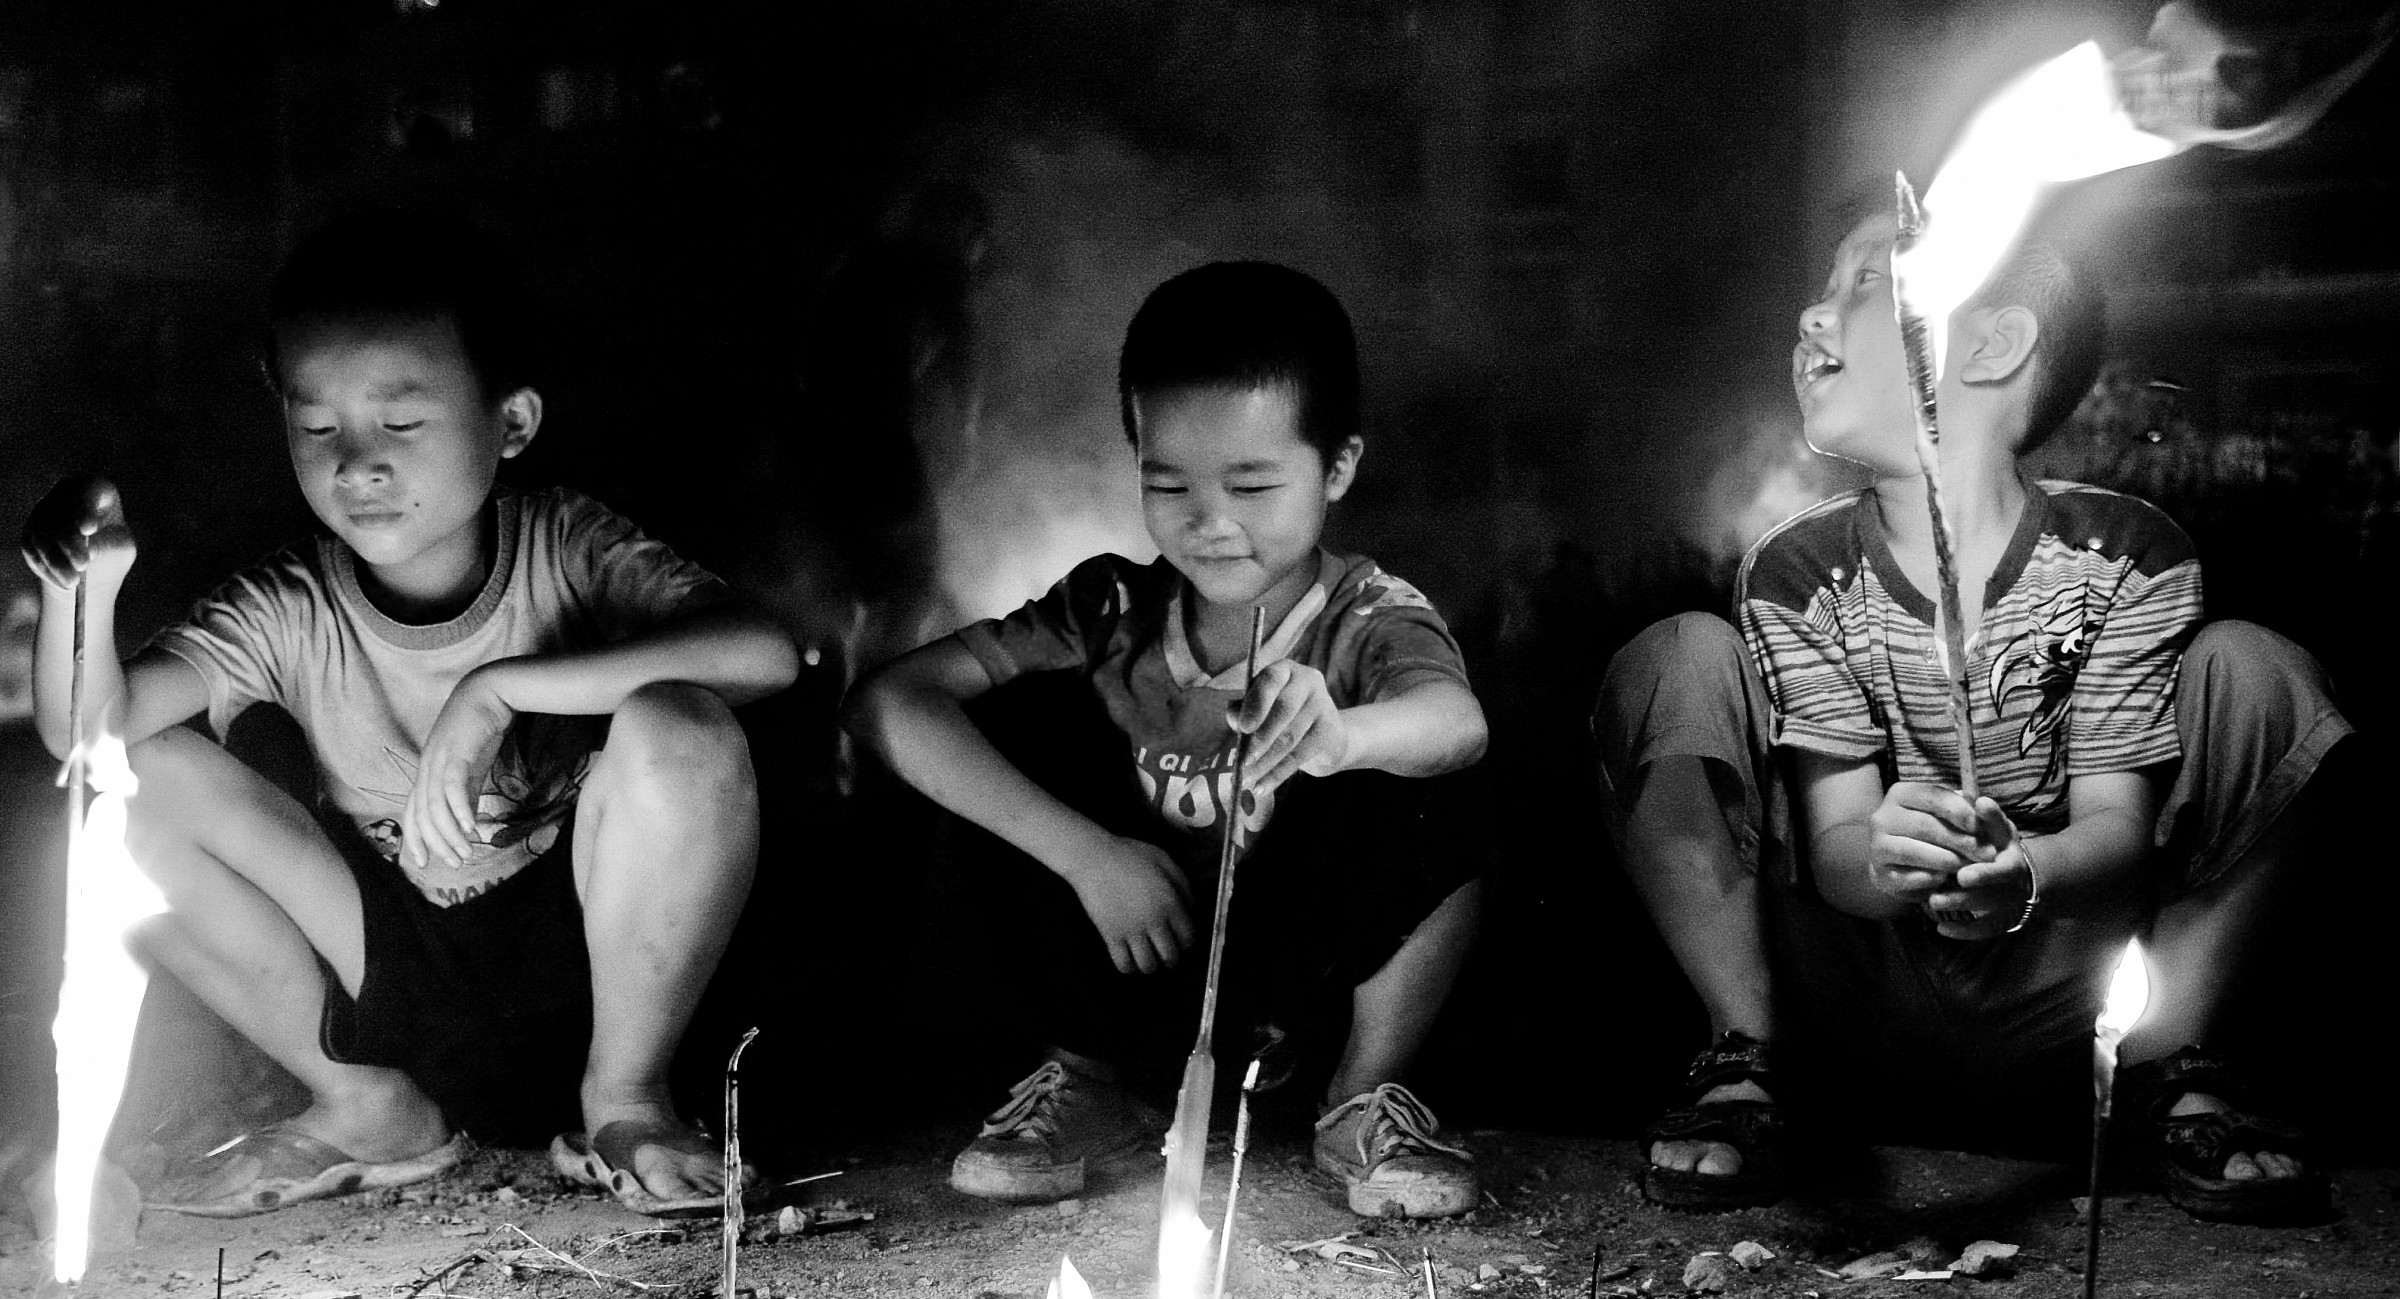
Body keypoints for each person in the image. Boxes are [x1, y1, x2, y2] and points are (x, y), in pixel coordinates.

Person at [19, 211, 799, 1217]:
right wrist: (80, 595)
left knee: (679, 723)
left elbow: (764, 653)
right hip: (400, 980)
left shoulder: (568, 545)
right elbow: (88, 740)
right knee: (125, 790)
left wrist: (498, 689)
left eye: (402, 420)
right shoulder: (288, 603)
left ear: (510, 423)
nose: (357, 463)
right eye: (317, 427)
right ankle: (364, 1102)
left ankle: (627, 1101)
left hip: (601, 963)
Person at [1595, 203, 2351, 1223]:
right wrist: (1884, 856)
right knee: (1673, 663)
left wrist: (2026, 873)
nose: (1814, 315)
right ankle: (1747, 1054)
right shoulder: (1798, 568)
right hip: (1868, 988)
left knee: (2261, 674)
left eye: (1868, 284)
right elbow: (1837, 845)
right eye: (1824, 285)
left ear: (1994, 343)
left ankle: (2176, 1066)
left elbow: (2117, 833)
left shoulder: (2127, 554)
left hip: (2066, 983)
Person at [847, 261, 1492, 1218]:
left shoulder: (1369, 615)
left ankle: (1361, 1097)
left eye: (1253, 483)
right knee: (1010, 715)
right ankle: (1087, 1081)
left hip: (1294, 986)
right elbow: (892, 702)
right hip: (1134, 953)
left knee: (1430, 769)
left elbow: (1458, 723)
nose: (1210, 523)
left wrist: (1340, 731)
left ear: (1339, 466)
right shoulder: (1107, 608)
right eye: (1170, 482)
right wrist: (1084, 854)